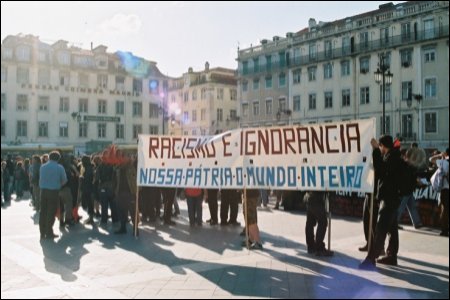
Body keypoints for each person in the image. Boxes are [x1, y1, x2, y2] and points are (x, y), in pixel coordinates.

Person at [359, 135, 402, 269]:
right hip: (392, 198)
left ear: (383, 146)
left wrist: (375, 150)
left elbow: (381, 169)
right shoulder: (394, 156)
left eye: (381, 147)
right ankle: (391, 256)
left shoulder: (392, 157)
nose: (381, 150)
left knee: (380, 228)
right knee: (392, 229)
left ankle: (371, 258)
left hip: (389, 199)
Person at [39, 151, 67, 240]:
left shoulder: (43, 167)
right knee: (51, 212)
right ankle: (49, 232)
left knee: (43, 211)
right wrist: (58, 185)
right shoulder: (59, 167)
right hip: (54, 191)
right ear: (58, 159)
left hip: (43, 191)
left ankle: (42, 232)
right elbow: (64, 180)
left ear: (50, 157)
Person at [304, 191, 333, 256]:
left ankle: (311, 246)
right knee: (323, 222)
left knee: (310, 223)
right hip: (317, 199)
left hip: (309, 197)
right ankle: (319, 248)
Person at [430, 148, 449, 237]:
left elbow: (431, 159)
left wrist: (440, 155)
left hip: (445, 190)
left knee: (445, 211)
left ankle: (445, 231)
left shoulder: (444, 162)